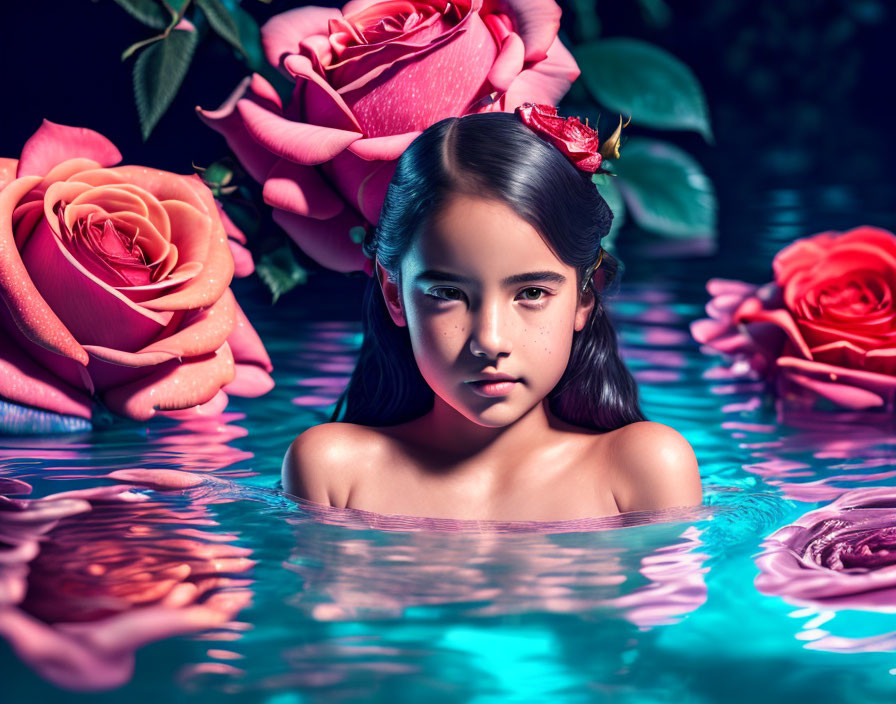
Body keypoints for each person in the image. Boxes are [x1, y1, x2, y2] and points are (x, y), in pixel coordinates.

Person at [282, 104, 702, 521]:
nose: (490, 340)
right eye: (448, 292)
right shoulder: (333, 472)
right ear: (395, 295)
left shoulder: (641, 469)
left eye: (532, 292)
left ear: (585, 297)